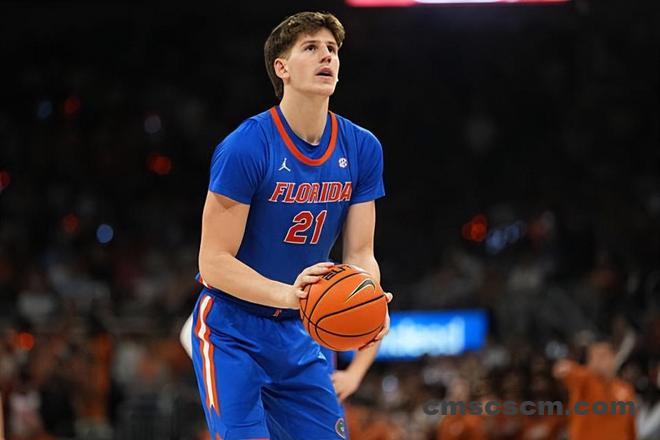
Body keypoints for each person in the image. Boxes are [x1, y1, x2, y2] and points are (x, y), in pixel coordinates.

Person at [189, 11, 392, 440]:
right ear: (282, 68)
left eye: (332, 49)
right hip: (232, 328)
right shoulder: (246, 146)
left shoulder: (362, 147)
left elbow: (360, 253)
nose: (327, 57)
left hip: (299, 331)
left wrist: (367, 294)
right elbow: (213, 262)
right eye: (311, 48)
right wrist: (293, 295)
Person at [553, 339, 636, 440]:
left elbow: (631, 427)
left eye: (604, 355)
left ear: (614, 358)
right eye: (596, 356)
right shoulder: (584, 381)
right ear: (590, 361)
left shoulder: (625, 389)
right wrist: (590, 371)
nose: (601, 361)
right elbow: (561, 370)